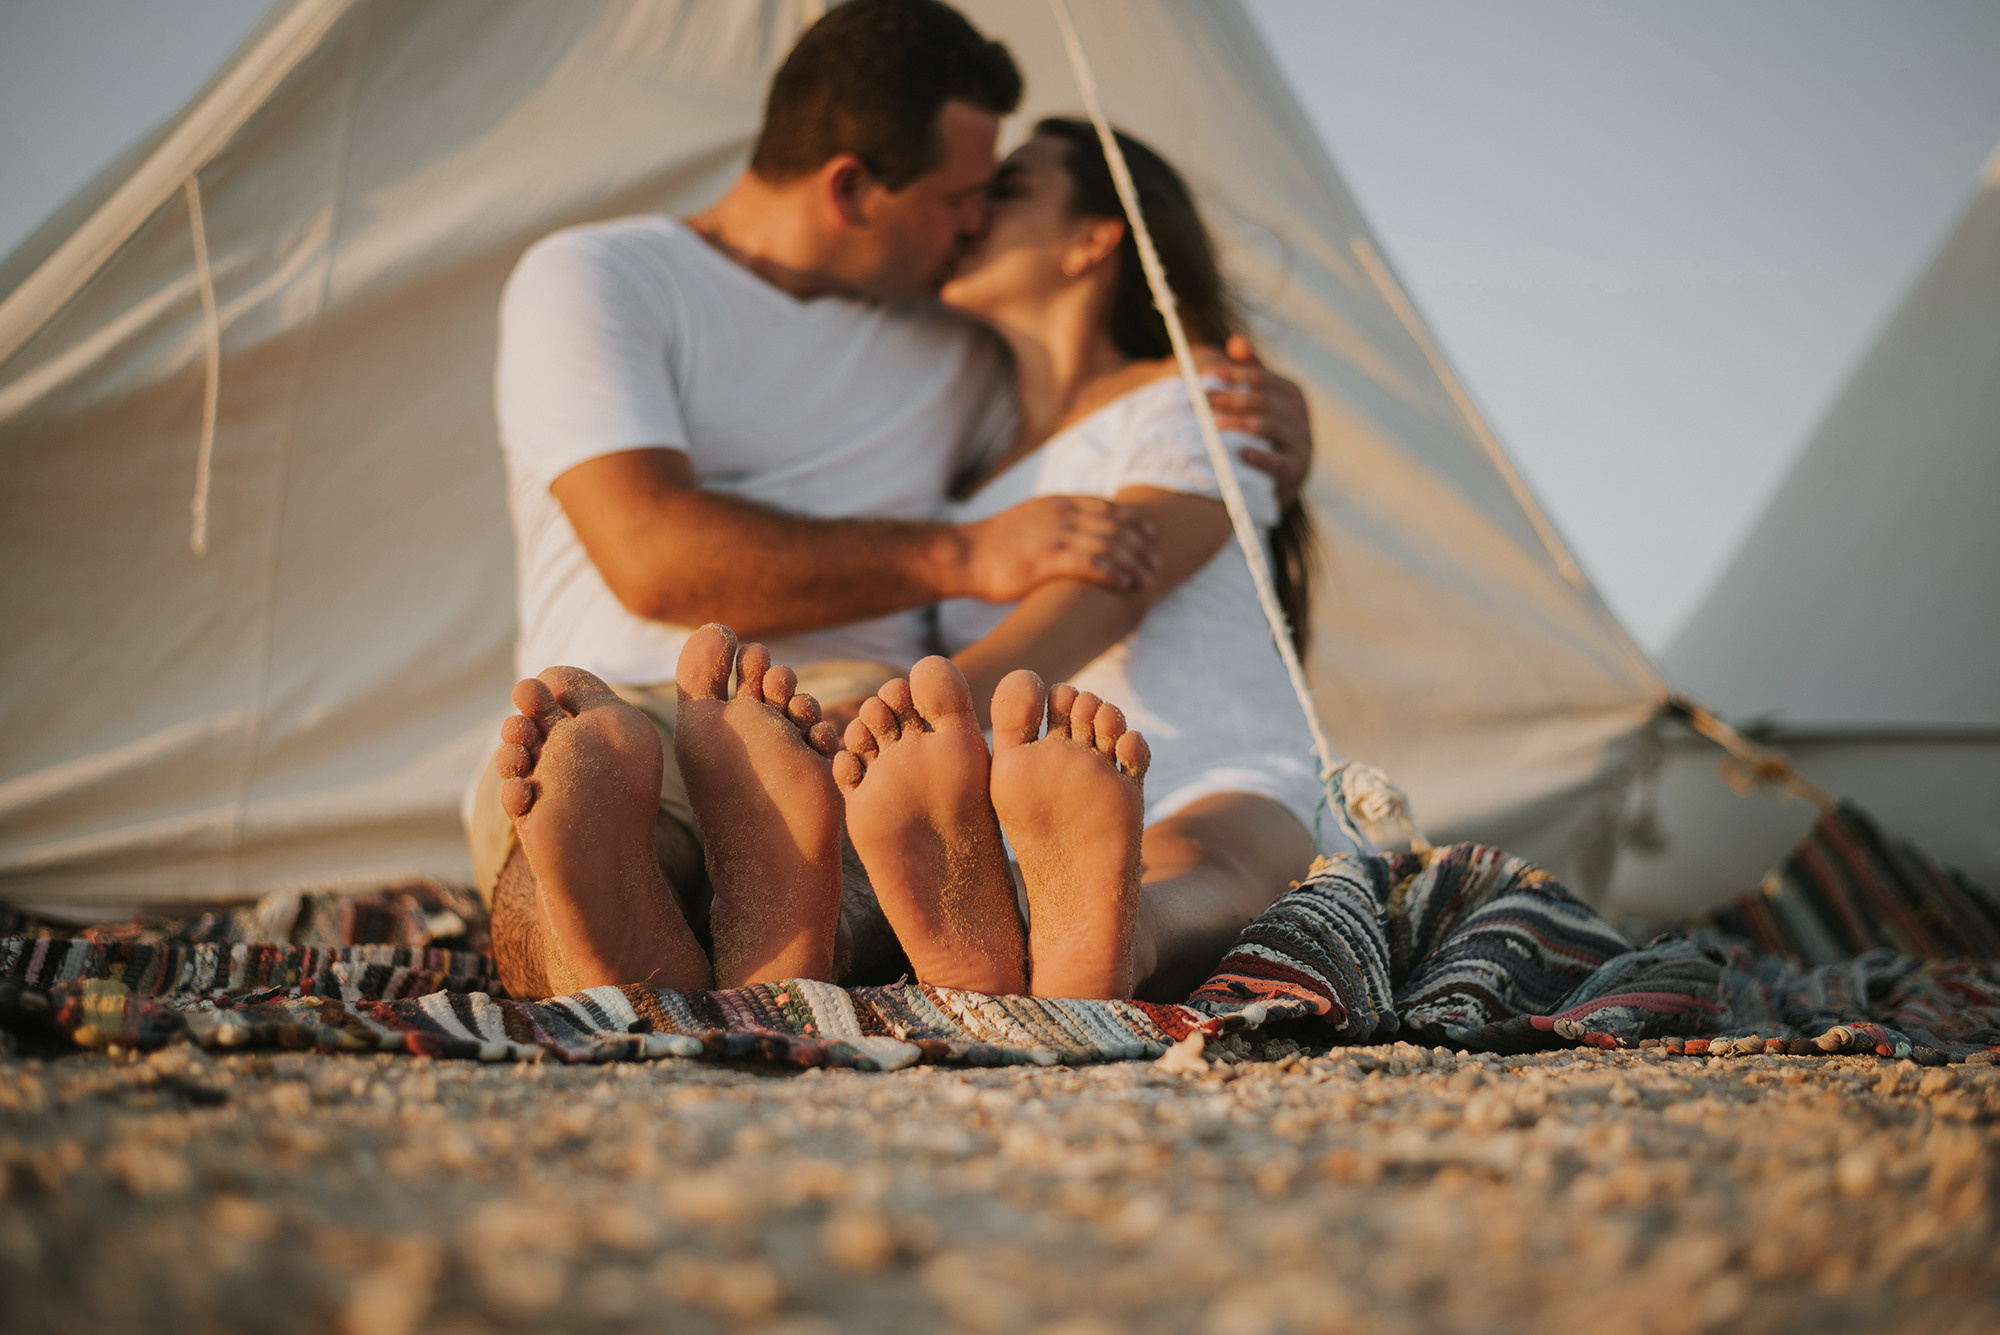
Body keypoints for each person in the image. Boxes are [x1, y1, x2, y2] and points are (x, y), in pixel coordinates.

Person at [470, 0, 1314, 999]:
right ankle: (706, 930)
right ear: (852, 187)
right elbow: (651, 554)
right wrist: (964, 559)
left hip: (846, 718)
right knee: (584, 843)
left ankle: (771, 929)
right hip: (621, 702)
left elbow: (1124, 418)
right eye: (963, 196)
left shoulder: (957, 339)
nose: (971, 224)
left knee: (898, 853)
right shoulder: (604, 276)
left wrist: (1271, 419)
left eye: (996, 197)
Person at [831, 121, 1332, 1003]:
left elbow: (1115, 583)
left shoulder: (1200, 396)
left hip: (1211, 757)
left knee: (1199, 854)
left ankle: (1124, 936)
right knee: (1002, 869)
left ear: (1093, 240)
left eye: (1009, 190)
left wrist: (927, 710)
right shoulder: (970, 476)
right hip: (1020, 805)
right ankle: (1009, 925)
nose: (973, 211)